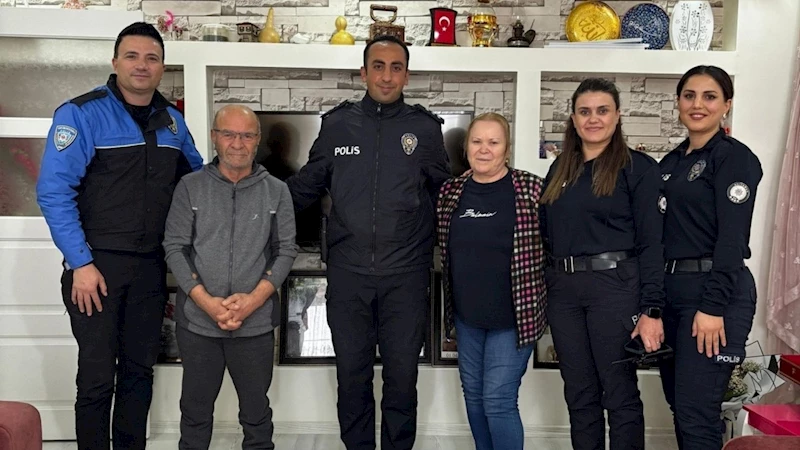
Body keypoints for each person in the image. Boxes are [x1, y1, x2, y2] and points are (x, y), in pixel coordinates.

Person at [35, 22, 203, 450]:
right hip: (96, 269)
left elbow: (198, 184)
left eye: (151, 58)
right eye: (132, 56)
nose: (141, 65)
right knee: (96, 377)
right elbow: (54, 192)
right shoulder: (80, 114)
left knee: (139, 373)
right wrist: (80, 264)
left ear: (162, 67)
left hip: (150, 269)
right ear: (115, 62)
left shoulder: (173, 122)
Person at [286, 34, 450, 450]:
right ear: (363, 73)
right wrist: (255, 197)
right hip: (349, 276)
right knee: (352, 377)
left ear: (407, 76)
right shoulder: (337, 124)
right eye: (378, 66)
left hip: (406, 277)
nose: (387, 76)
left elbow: (446, 196)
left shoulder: (425, 129)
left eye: (396, 68)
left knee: (402, 379)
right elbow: (306, 186)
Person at [539, 78, 665, 450]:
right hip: (564, 293)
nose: (593, 119)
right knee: (579, 393)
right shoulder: (560, 168)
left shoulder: (637, 169)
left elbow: (652, 244)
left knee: (619, 392)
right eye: (584, 111)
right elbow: (547, 233)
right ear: (573, 119)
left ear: (618, 115)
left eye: (602, 110)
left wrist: (652, 309)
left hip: (615, 290)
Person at [162, 104, 297, 450]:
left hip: (255, 325)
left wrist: (253, 301)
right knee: (195, 413)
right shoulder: (189, 187)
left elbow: (286, 250)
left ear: (257, 140)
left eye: (247, 135)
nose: (238, 143)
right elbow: (174, 247)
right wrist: (206, 301)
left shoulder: (277, 191)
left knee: (256, 415)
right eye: (229, 134)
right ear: (214, 137)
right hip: (198, 324)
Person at [658, 66, 762, 450]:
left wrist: (713, 306)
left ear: (726, 105)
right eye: (689, 95)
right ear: (678, 102)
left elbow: (732, 240)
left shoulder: (734, 158)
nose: (697, 104)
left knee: (697, 412)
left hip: (714, 297)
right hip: (673, 295)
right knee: (680, 407)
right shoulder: (671, 163)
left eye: (709, 96)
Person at [436, 112, 547, 450]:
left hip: (514, 319)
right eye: (477, 141)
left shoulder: (532, 189)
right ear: (467, 147)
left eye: (493, 142)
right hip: (467, 317)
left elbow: (555, 245)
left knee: (497, 400)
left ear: (507, 149)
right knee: (474, 396)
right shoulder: (451, 192)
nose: (484, 149)